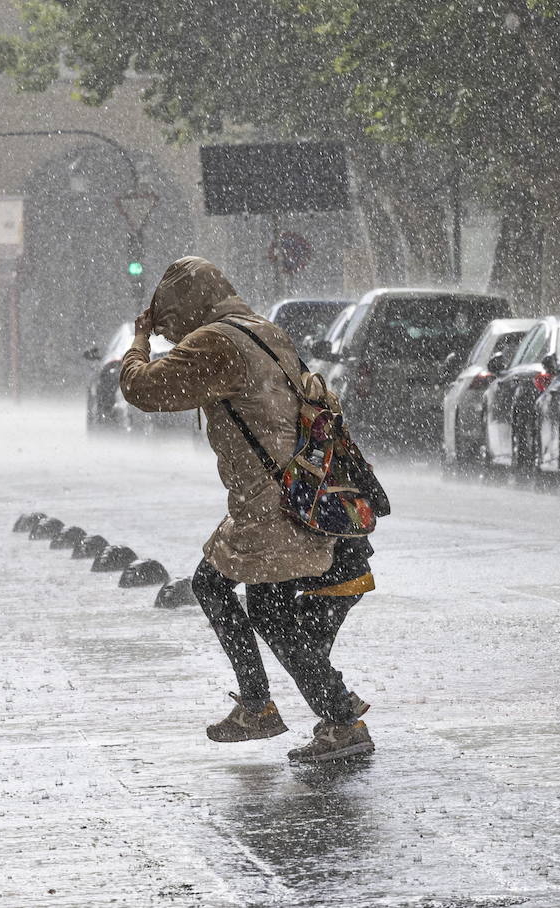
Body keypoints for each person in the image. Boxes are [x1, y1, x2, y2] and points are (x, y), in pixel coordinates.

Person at [119, 256, 375, 764]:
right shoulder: (260, 328)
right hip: (291, 488)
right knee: (249, 601)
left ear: (186, 305)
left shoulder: (215, 341)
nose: (171, 335)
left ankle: (329, 716)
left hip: (271, 501)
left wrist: (139, 341)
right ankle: (294, 708)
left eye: (170, 323)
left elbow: (142, 388)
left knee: (256, 607)